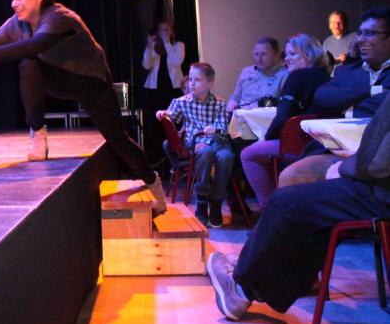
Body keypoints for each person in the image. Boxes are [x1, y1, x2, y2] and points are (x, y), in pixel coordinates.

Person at [0, 0, 167, 214]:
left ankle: (154, 185)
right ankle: (38, 134)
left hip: (91, 82)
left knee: (118, 139)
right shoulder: (17, 22)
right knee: (29, 65)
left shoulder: (59, 16)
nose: (14, 4)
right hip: (58, 79)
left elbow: (35, 45)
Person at [206, 94, 390, 322]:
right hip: (377, 185)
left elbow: (376, 162)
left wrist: (345, 168)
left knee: (286, 202)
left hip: (380, 193)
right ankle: (252, 289)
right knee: (315, 216)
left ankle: (240, 283)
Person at [278, 6, 390, 187]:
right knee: (291, 176)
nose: (360, 40)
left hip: (377, 155)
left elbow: (382, 108)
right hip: (337, 149)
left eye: (369, 33)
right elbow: (322, 97)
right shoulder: (349, 71)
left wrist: (346, 100)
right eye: (359, 33)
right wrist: (371, 91)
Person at [238, 34, 330, 209]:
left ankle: (269, 208)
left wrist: (266, 138)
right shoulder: (326, 76)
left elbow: (284, 116)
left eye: (292, 54)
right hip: (323, 143)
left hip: (300, 143)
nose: (286, 58)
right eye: (286, 54)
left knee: (248, 154)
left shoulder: (296, 77)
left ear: (309, 54)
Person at [156, 62, 231, 227]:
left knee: (226, 157)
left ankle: (216, 201)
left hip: (217, 141)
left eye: (197, 80)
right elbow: (170, 117)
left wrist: (214, 128)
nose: (192, 83)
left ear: (209, 83)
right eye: (190, 79)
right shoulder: (182, 102)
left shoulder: (219, 103)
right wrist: (161, 113)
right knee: (205, 153)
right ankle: (202, 202)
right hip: (196, 141)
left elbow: (222, 126)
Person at [141, 18, 184, 163]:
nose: (164, 32)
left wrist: (167, 43)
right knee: (157, 125)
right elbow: (146, 65)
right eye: (161, 30)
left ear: (171, 31)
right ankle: (160, 158)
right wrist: (149, 45)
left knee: (173, 123)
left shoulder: (178, 45)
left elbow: (176, 61)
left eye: (167, 29)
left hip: (173, 90)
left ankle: (176, 156)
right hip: (155, 90)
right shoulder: (154, 46)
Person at [226, 37, 289, 113]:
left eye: (264, 54)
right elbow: (235, 97)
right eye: (256, 54)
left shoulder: (284, 75)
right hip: (241, 116)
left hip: (265, 117)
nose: (259, 59)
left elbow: (285, 105)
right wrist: (232, 103)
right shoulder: (246, 71)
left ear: (275, 55)